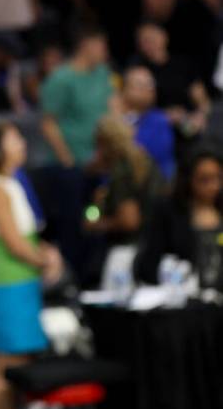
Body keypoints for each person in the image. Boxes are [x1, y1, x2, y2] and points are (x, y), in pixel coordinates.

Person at [0, 120, 61, 409]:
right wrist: (48, 261)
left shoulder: (10, 181)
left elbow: (28, 237)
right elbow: (14, 244)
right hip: (5, 285)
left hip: (20, 284)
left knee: (18, 361)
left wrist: (46, 253)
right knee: (4, 363)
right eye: (15, 138)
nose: (22, 142)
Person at [83, 115, 165, 286]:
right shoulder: (145, 160)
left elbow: (129, 221)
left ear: (104, 143)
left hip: (127, 254)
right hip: (153, 249)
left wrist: (96, 224)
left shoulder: (122, 170)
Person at [135, 147, 223, 289]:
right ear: (188, 179)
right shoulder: (168, 212)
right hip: (181, 298)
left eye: (218, 178)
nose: (214, 186)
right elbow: (148, 264)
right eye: (204, 180)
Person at [40, 28, 114, 169]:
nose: (106, 52)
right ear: (86, 46)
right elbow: (48, 124)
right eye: (102, 47)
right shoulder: (60, 79)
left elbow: (112, 106)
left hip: (101, 160)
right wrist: (67, 160)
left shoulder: (102, 72)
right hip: (73, 161)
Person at [120, 65, 175, 179]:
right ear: (125, 89)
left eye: (151, 84)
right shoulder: (113, 118)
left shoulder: (160, 120)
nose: (149, 89)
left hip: (154, 185)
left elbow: (150, 156)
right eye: (141, 84)